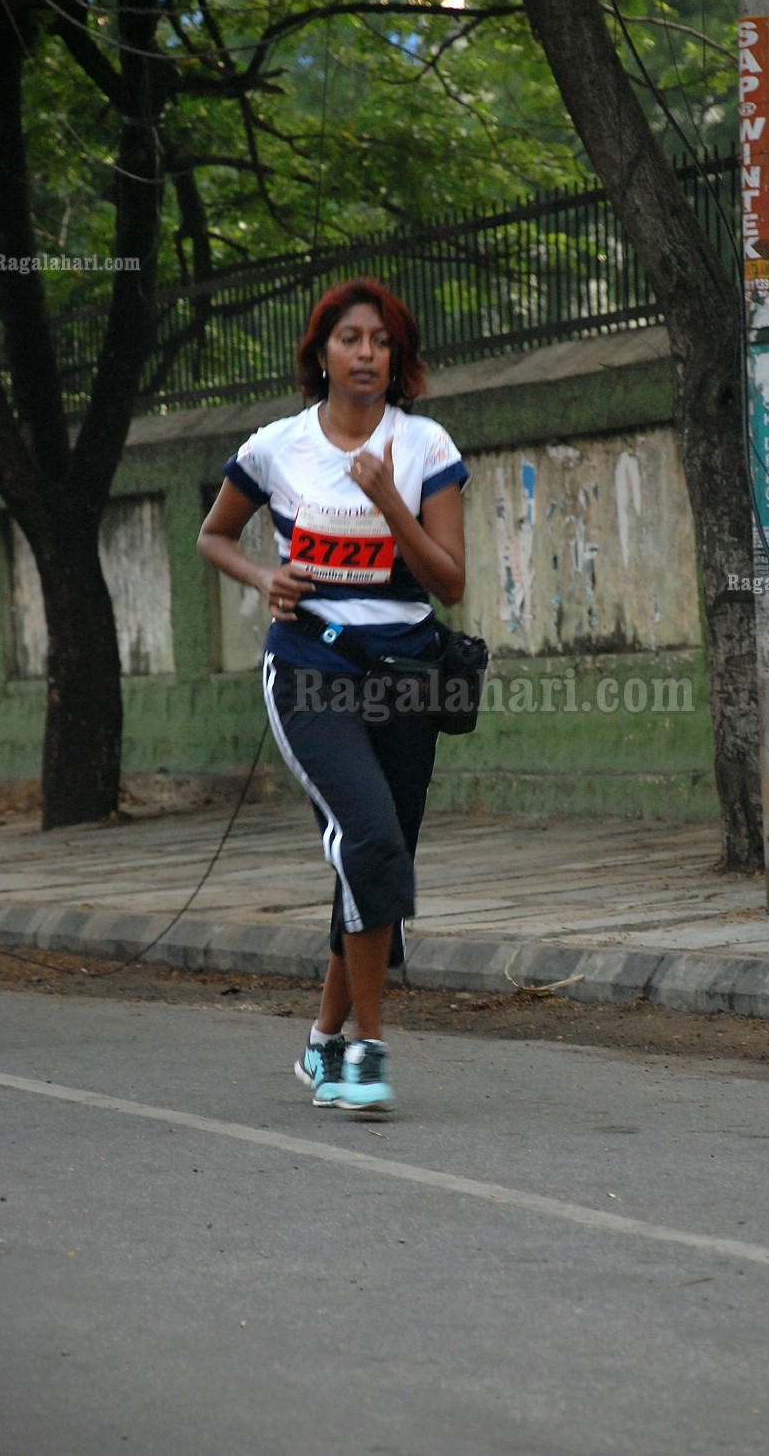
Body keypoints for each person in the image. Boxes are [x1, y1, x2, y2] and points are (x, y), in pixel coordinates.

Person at [197, 278, 468, 1114]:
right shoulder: (278, 446)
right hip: (310, 670)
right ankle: (364, 1052)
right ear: (320, 353)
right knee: (371, 839)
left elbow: (449, 583)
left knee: (374, 864)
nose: (366, 354)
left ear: (399, 358)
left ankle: (319, 1042)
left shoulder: (424, 447)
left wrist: (390, 499)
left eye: (381, 341)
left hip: (408, 676)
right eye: (350, 338)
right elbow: (213, 534)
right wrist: (261, 576)